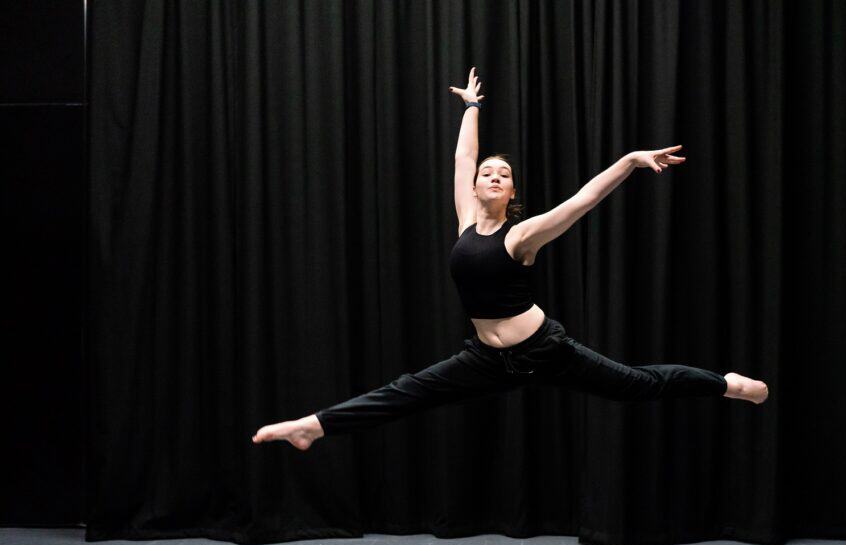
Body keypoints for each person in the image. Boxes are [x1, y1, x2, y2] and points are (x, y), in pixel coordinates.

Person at [253, 66, 768, 451]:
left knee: (637, 386)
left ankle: (725, 384)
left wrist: (631, 161)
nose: (492, 176)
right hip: (485, 358)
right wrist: (472, 107)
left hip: (544, 349)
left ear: (512, 191)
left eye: (503, 174)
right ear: (477, 187)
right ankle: (311, 428)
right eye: (487, 173)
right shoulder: (464, 223)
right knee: (408, 392)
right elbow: (462, 158)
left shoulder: (521, 237)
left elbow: (582, 201)